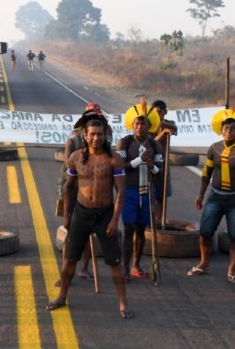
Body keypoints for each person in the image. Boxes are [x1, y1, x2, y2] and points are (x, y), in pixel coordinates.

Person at [47, 117, 132, 318]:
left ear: (105, 135)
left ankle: (123, 304)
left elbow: (121, 190)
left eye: (100, 134)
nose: (96, 138)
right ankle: (61, 297)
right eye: (92, 134)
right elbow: (69, 186)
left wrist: (114, 220)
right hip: (81, 213)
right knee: (70, 259)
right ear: (84, 136)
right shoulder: (76, 158)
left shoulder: (114, 158)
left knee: (114, 262)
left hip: (105, 215)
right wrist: (67, 215)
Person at [189, 109, 235, 284]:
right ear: (221, 130)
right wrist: (200, 195)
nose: (228, 132)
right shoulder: (214, 148)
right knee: (205, 232)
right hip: (215, 197)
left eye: (233, 129)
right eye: (226, 128)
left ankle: (232, 269)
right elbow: (206, 173)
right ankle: (204, 263)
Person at [54, 103, 106, 285]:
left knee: (89, 235)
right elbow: (72, 171)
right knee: (71, 232)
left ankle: (84, 269)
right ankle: (65, 273)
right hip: (73, 190)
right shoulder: (73, 142)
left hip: (93, 195)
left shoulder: (103, 141)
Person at [117, 99, 163, 281]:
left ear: (150, 126)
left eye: (144, 123)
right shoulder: (124, 143)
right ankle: (126, 268)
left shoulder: (156, 145)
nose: (140, 126)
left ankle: (136, 265)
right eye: (137, 123)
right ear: (132, 124)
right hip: (129, 192)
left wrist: (151, 166)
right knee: (128, 229)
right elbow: (120, 168)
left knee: (141, 230)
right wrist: (140, 160)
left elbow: (159, 173)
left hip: (147, 192)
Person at [150, 99, 179, 222]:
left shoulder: (168, 123)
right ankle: (150, 220)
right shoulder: (149, 126)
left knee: (162, 196)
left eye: (159, 112)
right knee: (149, 194)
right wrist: (163, 132)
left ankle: (160, 220)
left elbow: (175, 128)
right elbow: (152, 142)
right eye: (155, 112)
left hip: (163, 163)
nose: (157, 114)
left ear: (165, 112)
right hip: (150, 163)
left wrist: (162, 124)